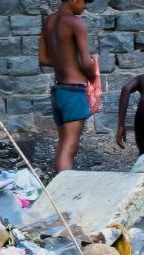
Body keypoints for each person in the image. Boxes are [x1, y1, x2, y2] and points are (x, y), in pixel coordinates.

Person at [39, 0, 98, 172]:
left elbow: (43, 59)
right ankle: (63, 194)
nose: (86, 6)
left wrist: (66, 62)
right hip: (74, 91)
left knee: (63, 145)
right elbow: (86, 63)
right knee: (69, 148)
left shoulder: (48, 22)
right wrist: (93, 77)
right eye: (85, 1)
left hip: (58, 92)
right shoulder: (76, 23)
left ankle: (57, 191)